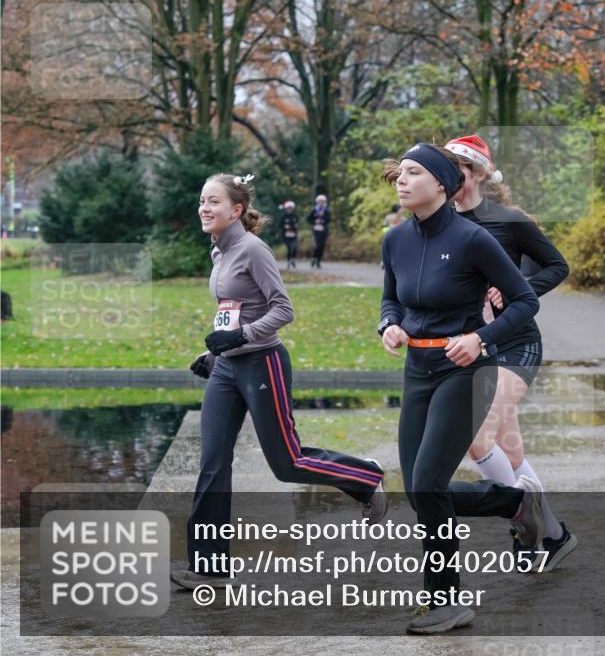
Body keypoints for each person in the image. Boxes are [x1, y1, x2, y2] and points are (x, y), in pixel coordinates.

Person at [171, 172, 387, 591]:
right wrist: (214, 352)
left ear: (236, 210)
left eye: (213, 201)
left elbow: (282, 309)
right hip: (227, 368)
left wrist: (243, 337)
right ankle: (208, 567)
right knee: (212, 463)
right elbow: (234, 310)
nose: (204, 208)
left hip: (262, 364)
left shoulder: (253, 249)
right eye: (202, 201)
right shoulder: (217, 251)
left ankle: (365, 477)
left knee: (287, 464)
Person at [378, 143, 546, 634]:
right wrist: (389, 324)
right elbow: (391, 299)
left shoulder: (473, 239)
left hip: (465, 370)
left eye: (413, 173)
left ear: (441, 184)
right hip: (418, 369)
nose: (401, 181)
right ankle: (512, 502)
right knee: (418, 491)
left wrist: (479, 338)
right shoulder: (395, 240)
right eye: (399, 174)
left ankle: (446, 601)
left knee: (429, 484)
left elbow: (524, 301)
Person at [443, 134, 576, 572]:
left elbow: (557, 265)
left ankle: (526, 522)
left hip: (516, 343)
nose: (449, 175)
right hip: (471, 348)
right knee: (510, 451)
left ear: (479, 173)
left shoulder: (508, 221)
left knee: (477, 438)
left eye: (459, 168)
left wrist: (517, 288)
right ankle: (553, 535)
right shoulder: (440, 222)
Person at [307, 194, 330, 269]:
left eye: (322, 201)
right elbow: (309, 219)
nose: (321, 202)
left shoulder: (326, 210)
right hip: (316, 230)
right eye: (320, 201)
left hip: (323, 230)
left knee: (322, 246)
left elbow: (329, 219)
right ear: (317, 201)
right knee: (317, 246)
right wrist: (314, 222)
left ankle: (318, 261)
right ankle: (314, 258)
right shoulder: (314, 209)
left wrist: (323, 220)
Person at [280, 200, 298, 269]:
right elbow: (280, 225)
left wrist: (293, 227)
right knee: (289, 249)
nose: (289, 210)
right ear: (286, 209)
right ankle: (288, 261)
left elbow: (297, 225)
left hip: (293, 235)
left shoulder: (295, 216)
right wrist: (284, 227)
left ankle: (292, 259)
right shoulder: (284, 216)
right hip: (286, 236)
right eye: (288, 208)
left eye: (290, 208)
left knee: (294, 248)